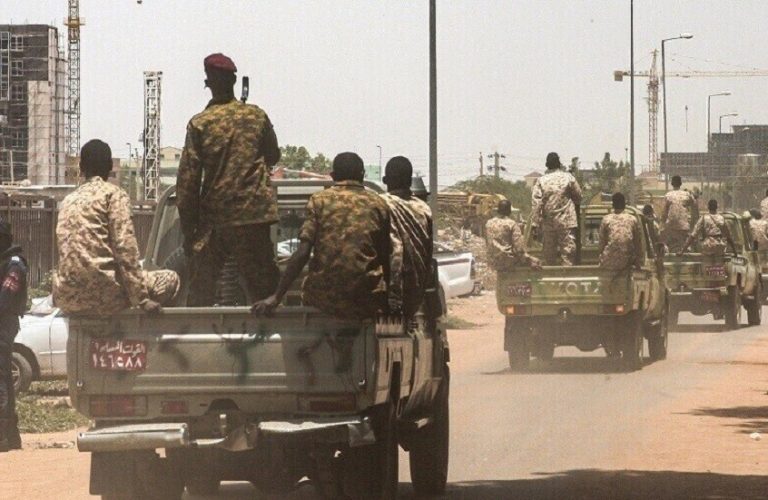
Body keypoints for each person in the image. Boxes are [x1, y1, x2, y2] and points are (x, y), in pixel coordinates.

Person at [177, 53, 281, 306]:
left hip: (215, 220)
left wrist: (189, 232)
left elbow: (188, 183)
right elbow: (273, 155)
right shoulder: (256, 116)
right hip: (253, 217)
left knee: (200, 294)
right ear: (234, 81)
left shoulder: (200, 123)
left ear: (208, 83)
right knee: (265, 294)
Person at [251, 152, 390, 319]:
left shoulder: (319, 201)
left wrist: (276, 297)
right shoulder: (379, 203)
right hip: (367, 299)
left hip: (325, 300)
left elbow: (303, 253)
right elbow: (386, 256)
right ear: (362, 175)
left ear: (333, 176)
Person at [54, 139, 180, 315]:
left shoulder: (68, 200)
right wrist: (142, 299)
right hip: (104, 296)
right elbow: (125, 249)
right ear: (109, 166)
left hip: (67, 298)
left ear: (81, 167)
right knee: (171, 278)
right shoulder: (113, 195)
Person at [380, 157, 433, 319]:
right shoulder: (424, 208)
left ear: (385, 180)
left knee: (390, 326)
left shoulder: (381, 204)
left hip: (388, 291)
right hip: (415, 292)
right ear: (410, 182)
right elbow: (429, 250)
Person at [0, 221, 27, 452]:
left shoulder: (14, 263)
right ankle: (11, 436)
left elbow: (7, 294)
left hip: (4, 324)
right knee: (5, 378)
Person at [531, 152, 582, 265]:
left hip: (548, 223)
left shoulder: (541, 181)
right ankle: (567, 274)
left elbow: (536, 204)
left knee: (549, 255)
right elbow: (579, 197)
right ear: (559, 163)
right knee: (568, 254)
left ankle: (551, 274)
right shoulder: (569, 178)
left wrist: (535, 224)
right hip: (567, 222)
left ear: (547, 165)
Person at [485, 200, 541, 272]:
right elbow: (518, 248)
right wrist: (530, 259)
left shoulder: (489, 223)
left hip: (492, 262)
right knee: (534, 262)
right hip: (506, 261)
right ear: (509, 211)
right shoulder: (512, 224)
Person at [599, 193, 643, 270]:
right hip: (627, 262)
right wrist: (638, 261)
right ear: (624, 205)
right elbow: (638, 243)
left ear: (613, 205)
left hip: (609, 262)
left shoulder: (606, 219)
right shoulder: (632, 219)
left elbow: (601, 244)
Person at [661, 175, 698, 253]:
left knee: (669, 246)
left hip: (671, 227)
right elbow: (695, 206)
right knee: (685, 247)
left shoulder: (668, 195)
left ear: (671, 184)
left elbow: (664, 214)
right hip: (684, 227)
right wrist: (693, 223)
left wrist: (662, 226)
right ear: (681, 184)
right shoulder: (687, 194)